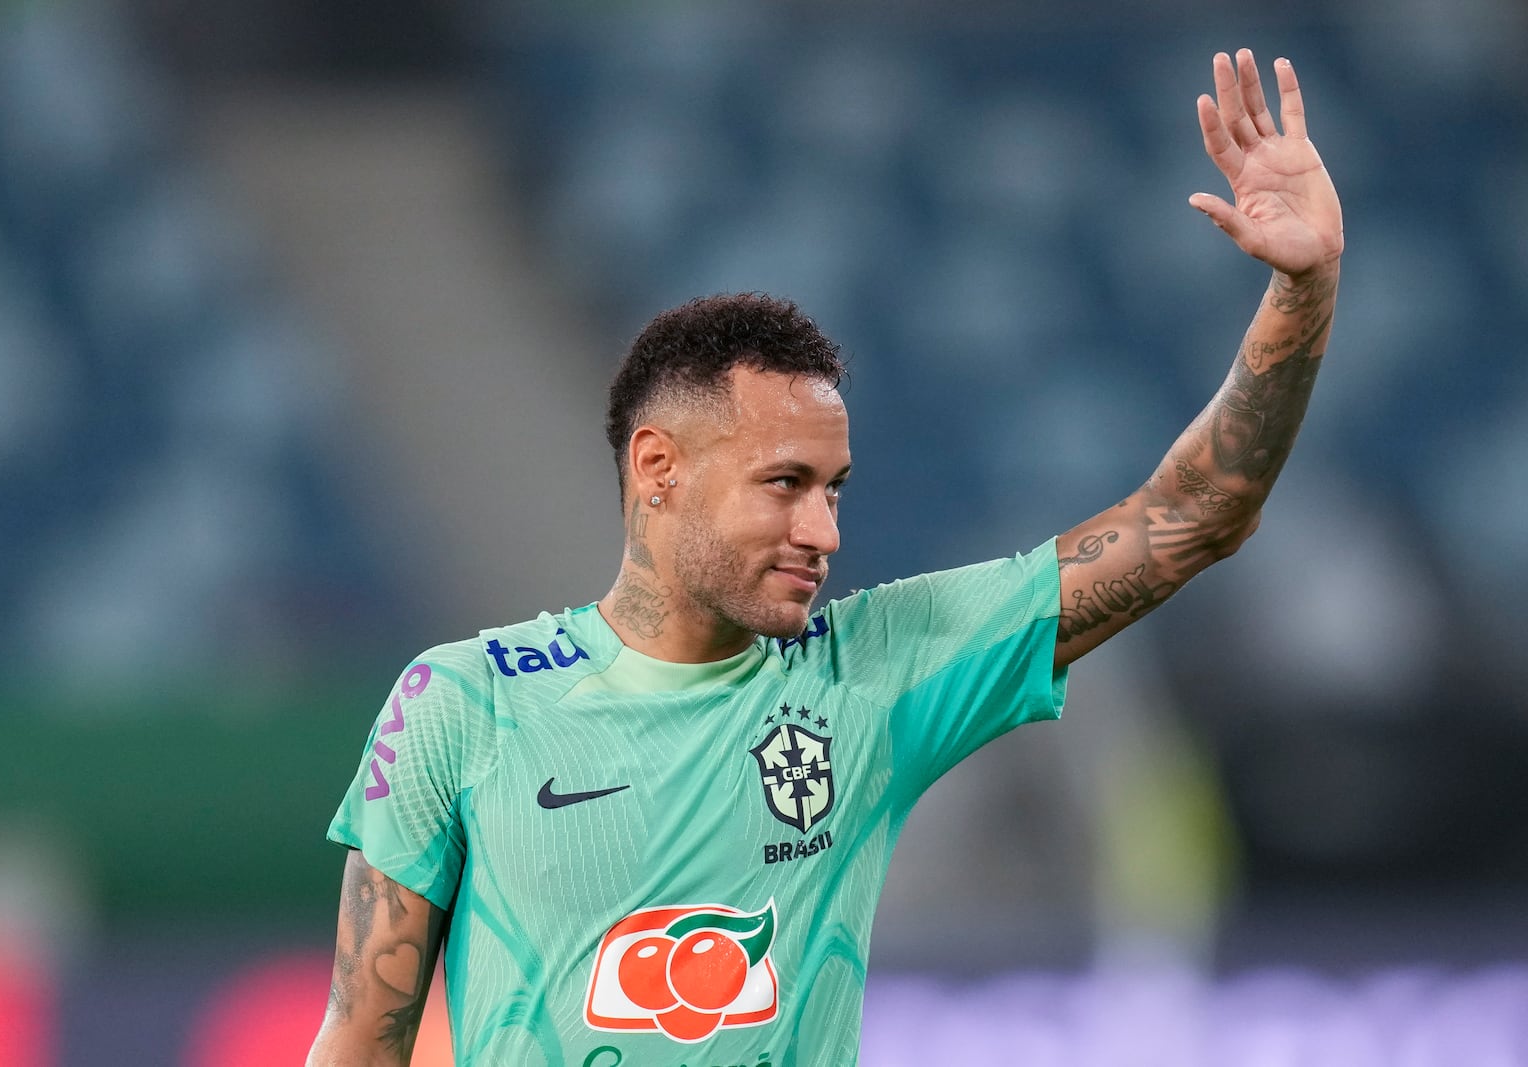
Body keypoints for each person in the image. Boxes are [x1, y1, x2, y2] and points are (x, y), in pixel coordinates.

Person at [306, 47, 1343, 1067]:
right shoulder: (460, 704)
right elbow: (360, 1041)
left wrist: (1302, 292)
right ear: (657, 467)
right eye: (784, 484)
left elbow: (1195, 513)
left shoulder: (874, 672)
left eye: (833, 490)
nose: (825, 531)